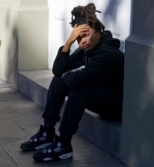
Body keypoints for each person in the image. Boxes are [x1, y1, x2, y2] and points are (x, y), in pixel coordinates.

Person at [20, 3, 124, 162]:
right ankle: (47, 131)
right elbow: (58, 70)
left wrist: (68, 76)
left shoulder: (108, 54)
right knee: (59, 80)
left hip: (114, 107)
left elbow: (77, 80)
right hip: (101, 98)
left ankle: (64, 145)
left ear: (98, 30)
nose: (82, 41)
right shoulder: (88, 49)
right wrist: (68, 42)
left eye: (86, 34)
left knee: (79, 88)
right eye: (78, 38)